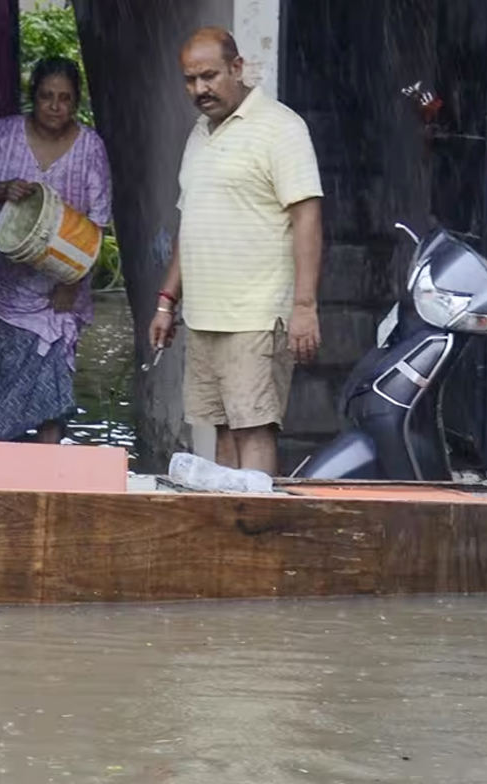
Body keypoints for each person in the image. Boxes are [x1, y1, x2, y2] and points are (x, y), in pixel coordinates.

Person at [148, 27, 324, 476]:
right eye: (190, 80)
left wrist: (304, 306)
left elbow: (307, 217)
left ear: (238, 68)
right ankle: (232, 535)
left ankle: (257, 532)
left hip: (256, 313)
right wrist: (167, 303)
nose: (199, 89)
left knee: (254, 429)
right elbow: (193, 225)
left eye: (209, 76)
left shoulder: (281, 128)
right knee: (221, 432)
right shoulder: (199, 135)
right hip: (205, 315)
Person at [0, 57, 112, 444]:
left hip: (57, 294)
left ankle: (48, 474)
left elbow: (97, 223)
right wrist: (2, 190)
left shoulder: (90, 148)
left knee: (54, 398)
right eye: (46, 96)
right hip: (2, 291)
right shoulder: (5, 135)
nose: (54, 105)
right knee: (1, 396)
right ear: (33, 97)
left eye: (64, 98)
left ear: (76, 102)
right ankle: (0, 476)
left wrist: (73, 283)